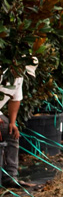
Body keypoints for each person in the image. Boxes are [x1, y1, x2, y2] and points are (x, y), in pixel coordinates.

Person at [0, 60, 38, 188]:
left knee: (11, 133)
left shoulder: (18, 79)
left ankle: (10, 177)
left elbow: (15, 99)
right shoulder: (2, 72)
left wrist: (12, 122)